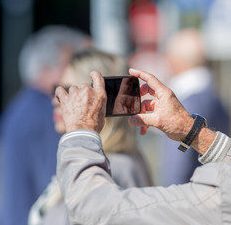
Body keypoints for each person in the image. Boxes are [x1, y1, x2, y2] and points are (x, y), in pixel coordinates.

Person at [54, 68, 231, 224]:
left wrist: (81, 132)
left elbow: (93, 210)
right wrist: (190, 130)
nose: (57, 100)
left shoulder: (121, 166)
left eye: (73, 92)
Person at [28, 49, 153, 225]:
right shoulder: (99, 160)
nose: (56, 100)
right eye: (57, 90)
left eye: (69, 91)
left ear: (102, 101)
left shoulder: (114, 167)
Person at [0, 25, 92, 225]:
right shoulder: (46, 113)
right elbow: (57, 184)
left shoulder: (21, 108)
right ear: (47, 69)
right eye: (71, 63)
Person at [160, 28, 230, 186]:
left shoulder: (185, 104)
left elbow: (177, 164)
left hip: (189, 198)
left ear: (175, 61)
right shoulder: (216, 98)